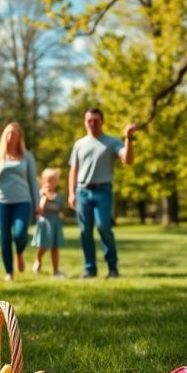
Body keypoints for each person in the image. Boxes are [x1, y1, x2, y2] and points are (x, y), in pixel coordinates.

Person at [68, 107, 137, 278]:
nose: (92, 124)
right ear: (85, 122)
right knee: (85, 231)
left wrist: (128, 138)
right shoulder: (79, 144)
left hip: (103, 191)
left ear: (102, 121)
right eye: (89, 121)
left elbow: (128, 160)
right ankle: (89, 269)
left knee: (104, 227)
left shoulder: (112, 142)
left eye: (96, 120)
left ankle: (113, 267)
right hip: (82, 191)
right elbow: (73, 170)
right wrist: (71, 193)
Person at [0, 122, 40, 282]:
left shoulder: (27, 156)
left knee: (20, 233)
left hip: (23, 201)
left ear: (19, 137)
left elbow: (33, 181)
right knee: (5, 238)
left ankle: (19, 252)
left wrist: (38, 203)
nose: (10, 137)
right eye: (7, 133)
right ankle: (9, 272)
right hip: (1, 202)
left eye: (13, 133)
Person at [31, 167, 66, 277]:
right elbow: (39, 209)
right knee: (43, 246)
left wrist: (61, 214)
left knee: (55, 247)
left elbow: (59, 209)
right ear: (42, 180)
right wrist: (45, 197)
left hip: (55, 224)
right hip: (44, 224)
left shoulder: (58, 196)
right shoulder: (40, 194)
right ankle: (38, 259)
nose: (49, 183)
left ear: (56, 182)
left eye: (52, 180)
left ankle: (56, 271)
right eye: (47, 180)